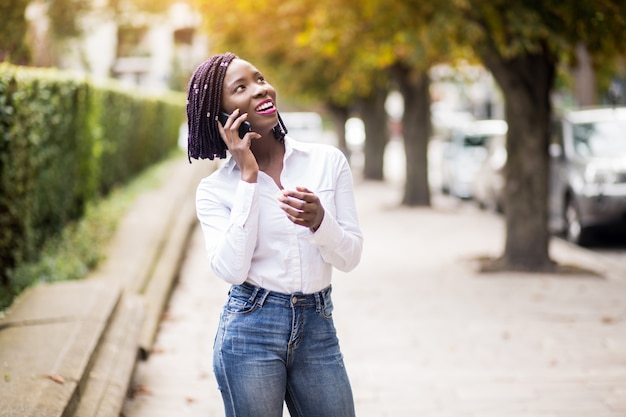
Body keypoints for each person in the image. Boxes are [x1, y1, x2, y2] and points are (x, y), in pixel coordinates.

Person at [186, 52, 363, 417]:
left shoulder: (327, 162)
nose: (260, 89)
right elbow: (233, 270)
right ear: (221, 117)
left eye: (260, 78)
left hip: (318, 326)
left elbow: (350, 257)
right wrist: (248, 176)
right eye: (241, 88)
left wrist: (320, 222)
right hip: (251, 330)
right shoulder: (215, 191)